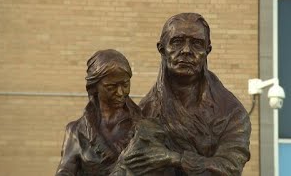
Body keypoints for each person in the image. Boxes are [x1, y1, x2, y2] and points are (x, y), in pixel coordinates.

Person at [124, 13, 251, 176]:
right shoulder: (145, 111)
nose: (186, 51)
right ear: (162, 49)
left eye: (197, 44)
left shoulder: (231, 112)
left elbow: (230, 167)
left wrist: (176, 159)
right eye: (177, 42)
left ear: (207, 51)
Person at [55, 49, 142, 176]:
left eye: (125, 84)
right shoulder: (76, 132)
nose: (120, 92)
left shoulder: (143, 125)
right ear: (94, 87)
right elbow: (65, 173)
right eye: (111, 87)